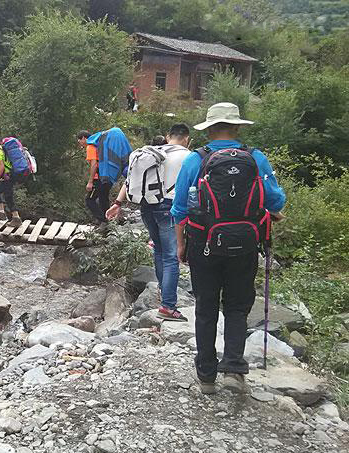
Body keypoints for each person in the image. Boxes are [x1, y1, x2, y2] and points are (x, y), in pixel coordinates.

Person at [171, 102, 286, 395]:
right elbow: (275, 201)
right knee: (237, 306)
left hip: (203, 244)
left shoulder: (195, 160)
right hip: (246, 246)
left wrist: (181, 245)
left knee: (206, 307)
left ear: (208, 129)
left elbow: (180, 208)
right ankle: (234, 369)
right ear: (237, 127)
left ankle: (207, 376)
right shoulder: (256, 158)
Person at [106, 124, 192, 321]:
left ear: (168, 136)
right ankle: (168, 306)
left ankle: (164, 293)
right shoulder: (188, 156)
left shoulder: (151, 152)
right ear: (186, 138)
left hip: (146, 207)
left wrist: (117, 203)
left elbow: (130, 181)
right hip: (169, 207)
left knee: (160, 251)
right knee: (171, 256)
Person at [77, 128, 132, 226]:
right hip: (107, 176)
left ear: (84, 138)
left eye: (79, 140)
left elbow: (94, 164)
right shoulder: (99, 145)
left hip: (99, 177)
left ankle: (104, 220)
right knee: (103, 199)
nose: (79, 142)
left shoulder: (90, 147)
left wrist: (90, 181)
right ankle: (108, 221)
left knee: (90, 200)